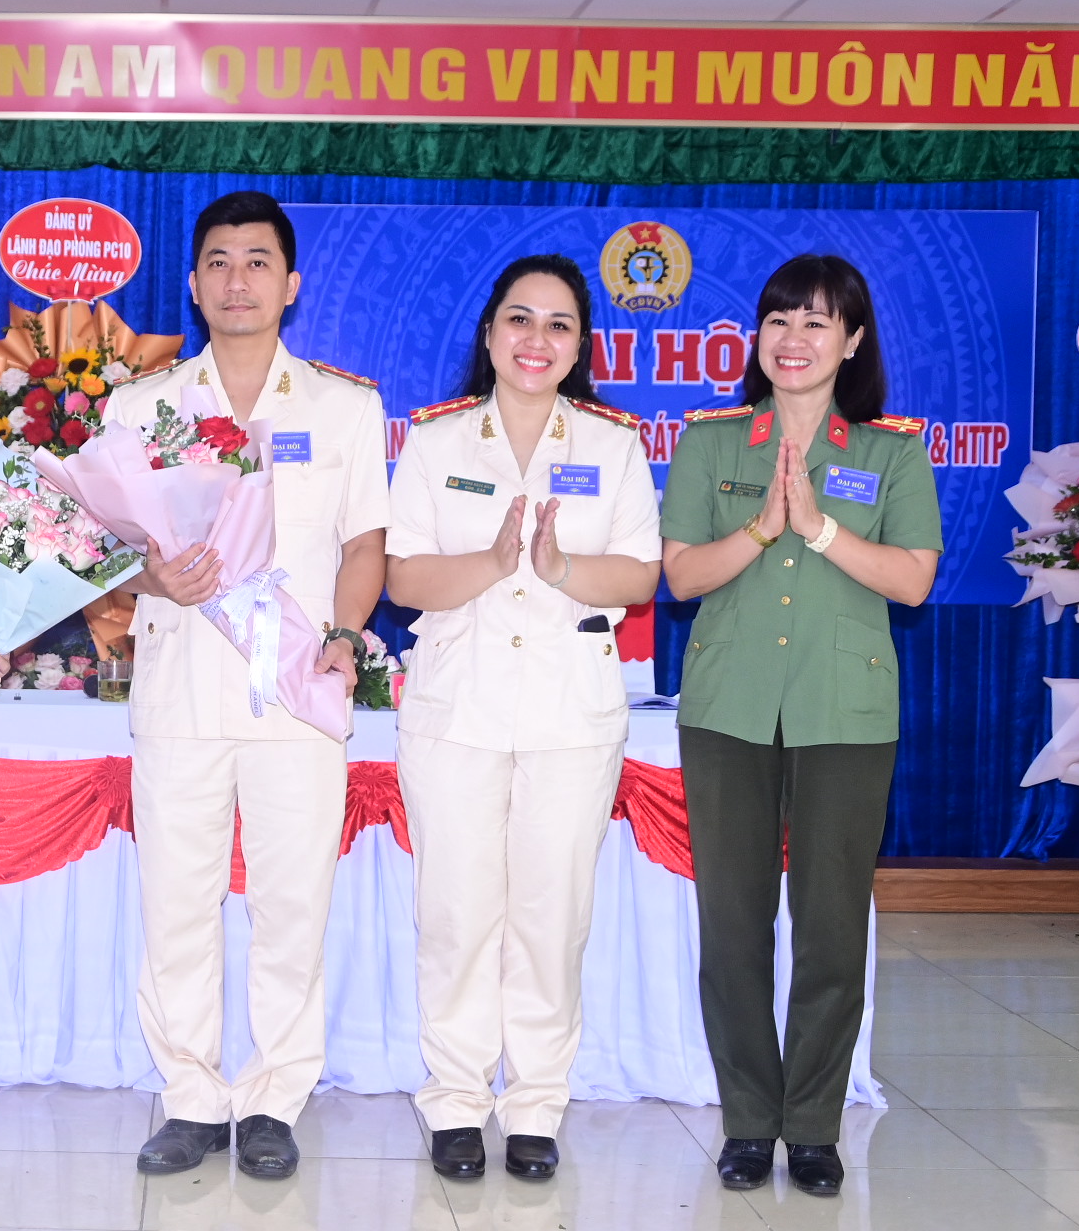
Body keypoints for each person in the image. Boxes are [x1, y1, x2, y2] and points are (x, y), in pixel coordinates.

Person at [102, 191, 389, 1180]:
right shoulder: (141, 407)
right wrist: (152, 579)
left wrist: (345, 636)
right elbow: (105, 554)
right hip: (179, 686)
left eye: (258, 261)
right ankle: (189, 1097)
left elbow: (365, 544)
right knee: (177, 903)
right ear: (193, 283)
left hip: (297, 690)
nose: (238, 280)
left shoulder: (345, 408)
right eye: (219, 262)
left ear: (291, 283)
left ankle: (272, 1100)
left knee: (291, 907)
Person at [660, 254, 940, 1198]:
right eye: (779, 319)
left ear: (852, 341)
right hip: (729, 707)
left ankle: (813, 1126)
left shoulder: (893, 454)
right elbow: (681, 577)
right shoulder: (710, 444)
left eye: (818, 323)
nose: (794, 339)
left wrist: (818, 526)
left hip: (844, 712)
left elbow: (913, 581)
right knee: (733, 924)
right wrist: (760, 529)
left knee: (830, 927)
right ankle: (749, 1121)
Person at [387, 255, 663, 1182]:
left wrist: (558, 570)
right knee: (456, 916)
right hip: (456, 709)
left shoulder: (614, 447)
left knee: (552, 917)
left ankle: (536, 1105)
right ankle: (457, 1103)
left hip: (569, 715)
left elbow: (640, 575)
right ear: (490, 333)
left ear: (580, 347)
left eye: (557, 325)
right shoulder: (436, 442)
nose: (535, 340)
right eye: (519, 318)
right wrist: (492, 561)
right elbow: (402, 577)